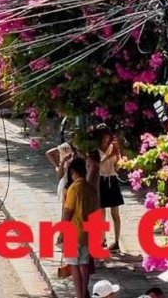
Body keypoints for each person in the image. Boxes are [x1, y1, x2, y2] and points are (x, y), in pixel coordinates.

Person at [62, 156, 99, 298]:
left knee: (74, 265)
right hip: (88, 233)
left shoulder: (74, 188)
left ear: (73, 171)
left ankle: (78, 295)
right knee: (84, 264)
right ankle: (84, 293)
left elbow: (67, 211)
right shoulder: (90, 188)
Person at [96, 126, 125, 253]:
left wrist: (118, 155)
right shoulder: (95, 150)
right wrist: (109, 156)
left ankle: (117, 241)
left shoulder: (113, 148)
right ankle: (102, 239)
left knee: (115, 213)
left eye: (107, 136)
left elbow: (117, 168)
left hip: (112, 180)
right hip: (101, 180)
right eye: (103, 136)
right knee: (101, 213)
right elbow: (96, 165)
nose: (106, 138)